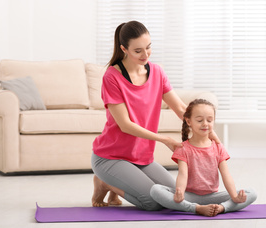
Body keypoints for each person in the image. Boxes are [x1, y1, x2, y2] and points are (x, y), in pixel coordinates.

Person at [91, 21, 220, 210]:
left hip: (142, 158)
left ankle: (118, 183)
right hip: (110, 157)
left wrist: (208, 132)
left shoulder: (157, 72)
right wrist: (165, 139)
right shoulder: (112, 77)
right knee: (153, 202)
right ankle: (105, 182)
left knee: (175, 196)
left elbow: (180, 107)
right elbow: (125, 125)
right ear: (124, 49)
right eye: (138, 51)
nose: (145, 55)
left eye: (148, 48)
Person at [150, 99, 257, 217]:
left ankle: (221, 208)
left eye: (209, 120)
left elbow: (226, 175)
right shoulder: (183, 148)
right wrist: (179, 192)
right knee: (155, 190)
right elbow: (182, 174)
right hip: (189, 196)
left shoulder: (218, 147)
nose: (205, 123)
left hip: (213, 197)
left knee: (252, 193)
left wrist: (234, 197)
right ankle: (196, 209)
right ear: (189, 121)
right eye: (200, 120)